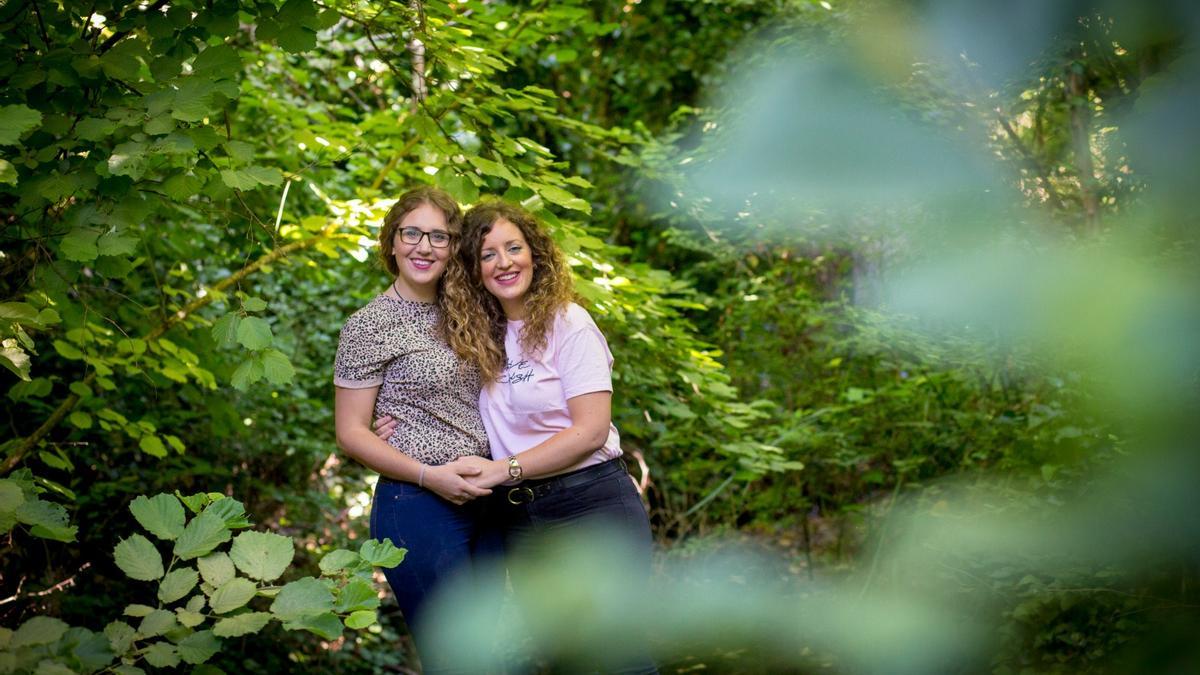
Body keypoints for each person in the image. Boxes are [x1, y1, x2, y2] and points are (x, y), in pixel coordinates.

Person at [440, 199, 658, 674]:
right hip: (522, 520)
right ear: (474, 271)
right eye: (488, 254)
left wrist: (504, 469)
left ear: (534, 253)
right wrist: (393, 425)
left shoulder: (568, 323)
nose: (504, 262)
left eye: (513, 247)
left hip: (591, 506)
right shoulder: (482, 336)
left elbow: (590, 430)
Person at [332, 186, 499, 674]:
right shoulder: (368, 325)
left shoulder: (472, 311)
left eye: (439, 237)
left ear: (454, 249)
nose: (424, 247)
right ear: (392, 241)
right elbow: (352, 432)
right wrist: (430, 475)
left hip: (489, 500)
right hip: (420, 505)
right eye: (412, 233)